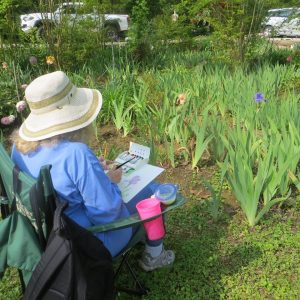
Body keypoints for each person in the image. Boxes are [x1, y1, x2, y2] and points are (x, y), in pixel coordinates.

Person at [10, 71, 175, 271]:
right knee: (152, 191)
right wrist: (109, 182)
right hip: (87, 241)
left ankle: (146, 236)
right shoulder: (76, 154)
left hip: (46, 236)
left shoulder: (19, 148)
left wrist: (94, 172)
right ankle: (154, 256)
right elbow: (107, 213)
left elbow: (59, 180)